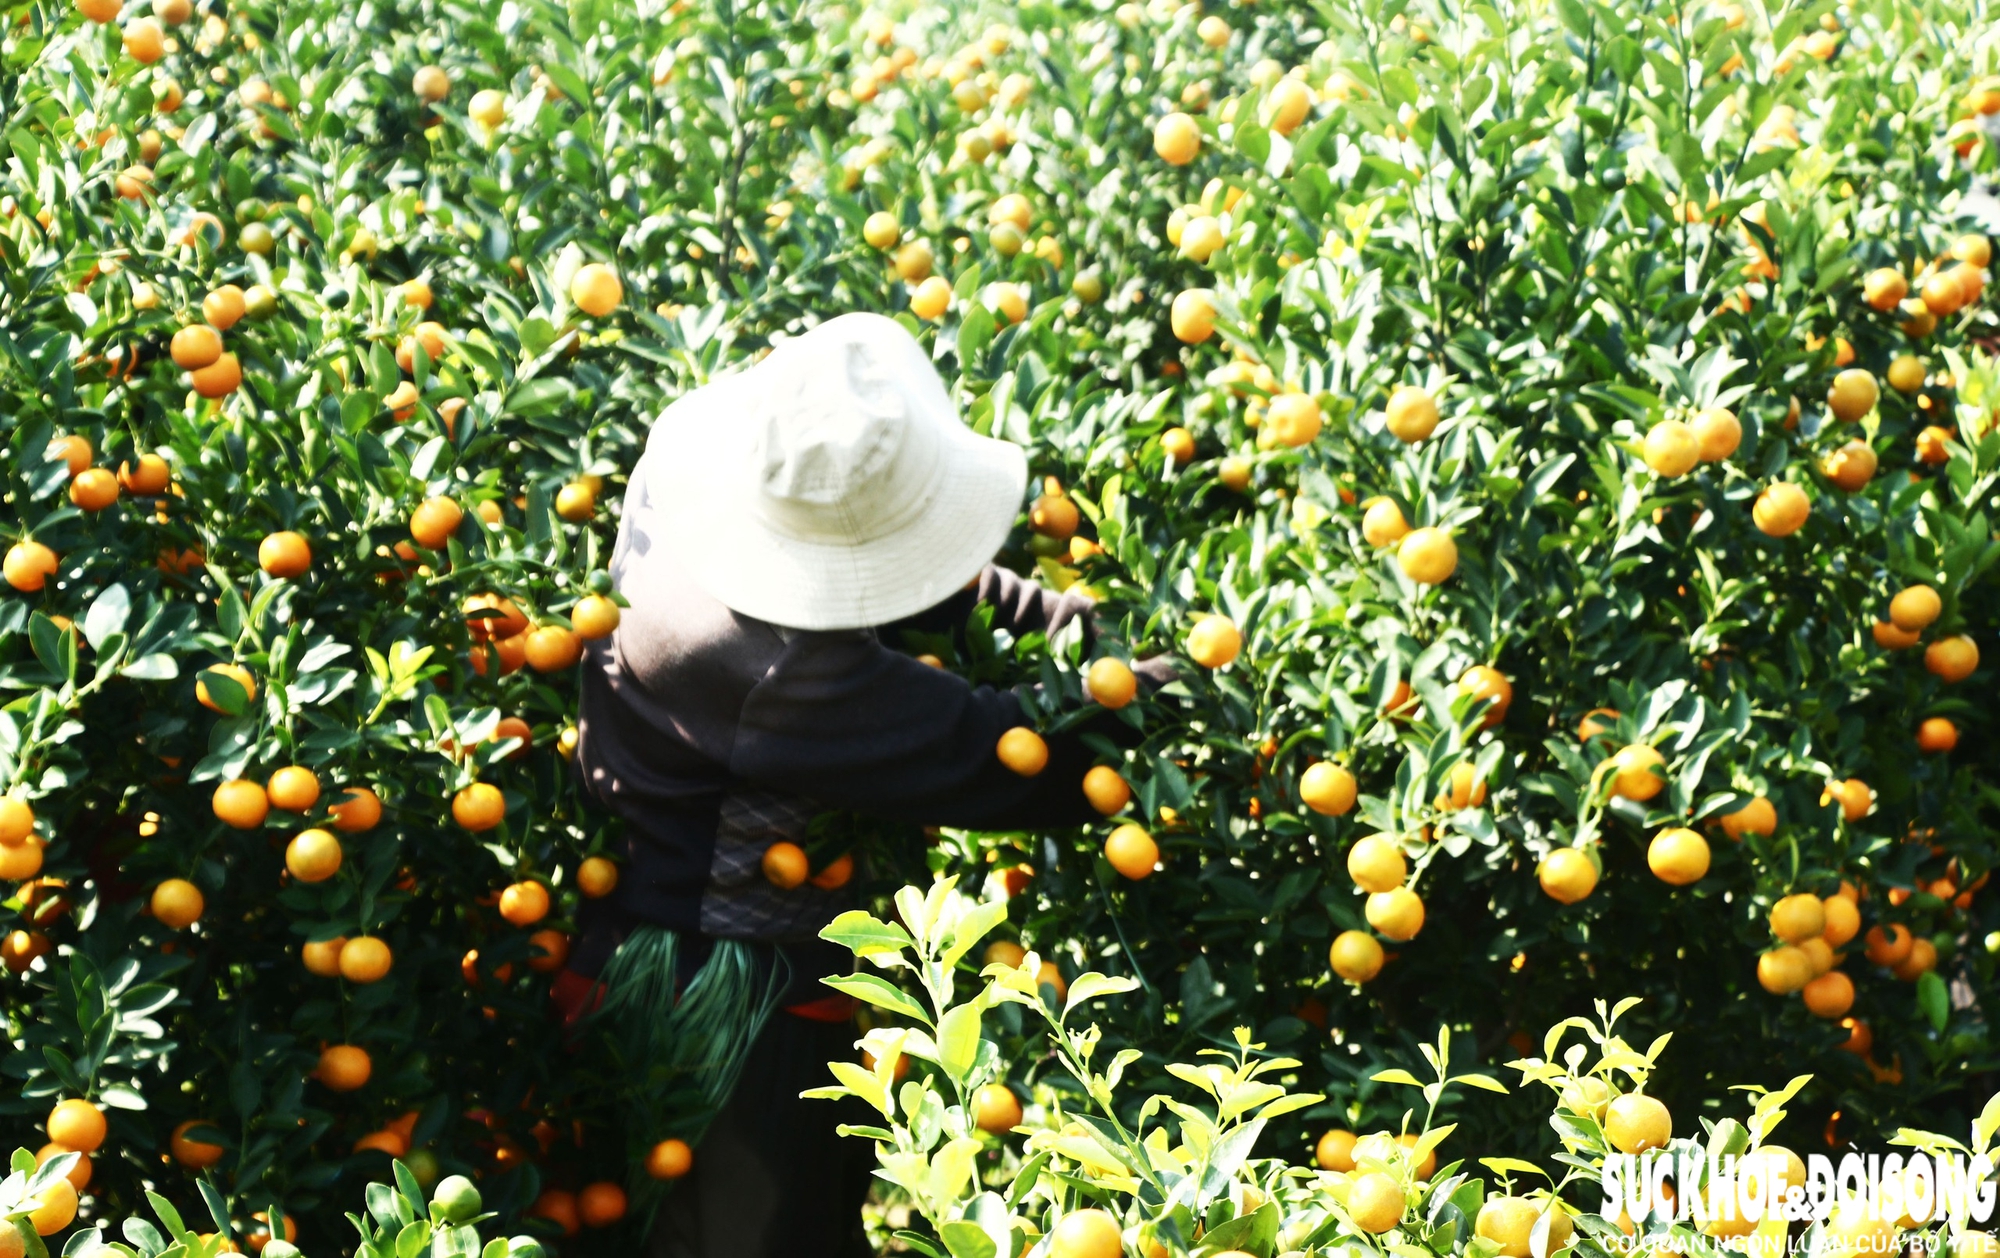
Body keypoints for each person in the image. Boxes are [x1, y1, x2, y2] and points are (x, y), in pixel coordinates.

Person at [563, 312, 1162, 1258]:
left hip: (651, 928)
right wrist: (1184, 689)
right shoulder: (775, 670)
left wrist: (1081, 627)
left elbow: (921, 578)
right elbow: (1012, 760)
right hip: (727, 1007)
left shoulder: (697, 481)